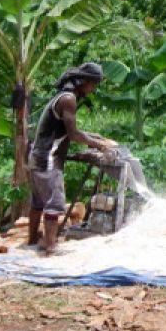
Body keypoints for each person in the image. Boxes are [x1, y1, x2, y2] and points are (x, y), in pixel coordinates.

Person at [28, 62, 118, 255]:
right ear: (84, 81)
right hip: (48, 159)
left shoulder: (61, 96)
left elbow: (68, 131)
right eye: (93, 85)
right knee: (55, 201)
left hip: (36, 156)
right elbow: (74, 134)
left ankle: (33, 240)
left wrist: (95, 137)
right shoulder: (69, 99)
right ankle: (50, 246)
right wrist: (100, 145)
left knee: (37, 202)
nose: (93, 89)